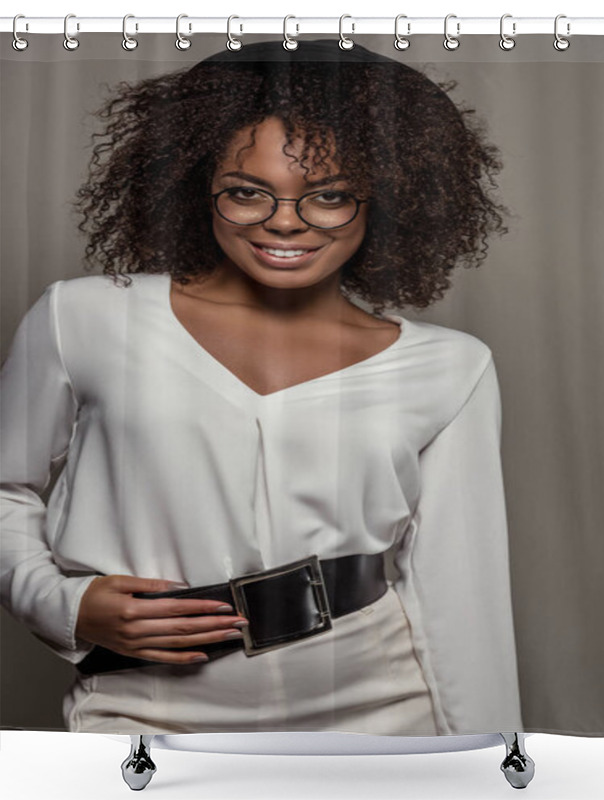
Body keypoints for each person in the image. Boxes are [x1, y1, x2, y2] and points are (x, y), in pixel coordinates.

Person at [0, 39, 523, 736]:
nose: (285, 221)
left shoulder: (451, 367)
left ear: (385, 201)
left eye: (330, 196)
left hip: (385, 713)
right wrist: (58, 603)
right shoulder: (83, 317)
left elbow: (462, 594)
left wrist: (489, 765)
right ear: (197, 187)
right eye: (247, 191)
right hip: (143, 707)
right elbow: (7, 489)